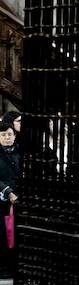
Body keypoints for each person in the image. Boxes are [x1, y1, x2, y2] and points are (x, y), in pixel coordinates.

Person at [0, 117, 19, 275]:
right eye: (3, 134)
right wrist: (8, 192)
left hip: (18, 199)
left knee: (15, 232)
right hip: (3, 199)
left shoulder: (19, 153)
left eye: (9, 134)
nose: (7, 137)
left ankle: (14, 266)